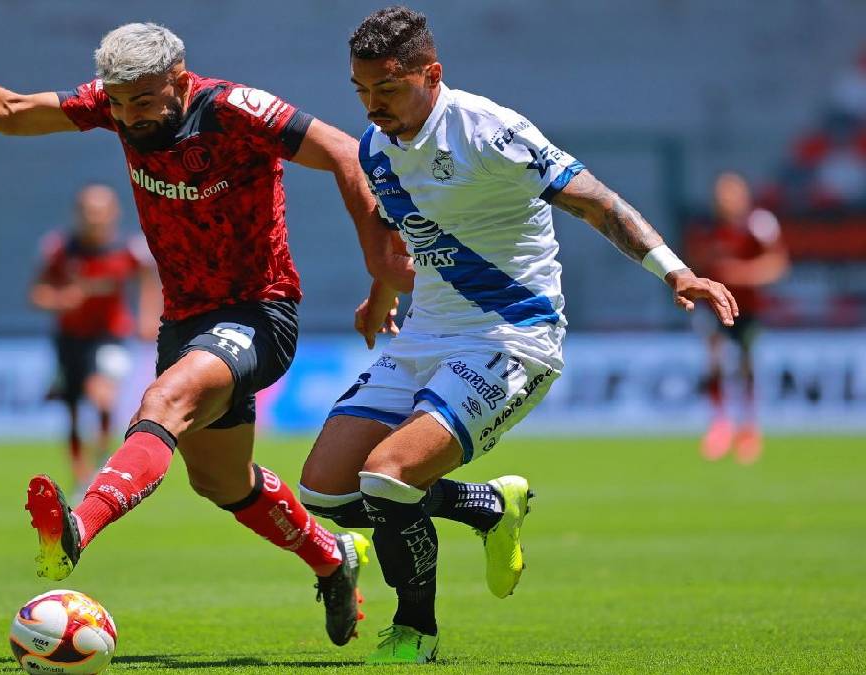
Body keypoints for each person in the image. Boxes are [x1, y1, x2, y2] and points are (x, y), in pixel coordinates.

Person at [0, 16, 412, 646]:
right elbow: (13, 111)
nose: (127, 115)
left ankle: (77, 528)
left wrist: (380, 267)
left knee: (163, 402)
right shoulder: (114, 102)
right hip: (185, 320)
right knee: (221, 482)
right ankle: (332, 558)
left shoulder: (237, 109)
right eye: (118, 102)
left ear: (179, 81)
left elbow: (346, 151)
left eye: (143, 101)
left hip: (258, 309)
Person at [296, 6, 739, 664]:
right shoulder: (376, 148)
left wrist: (675, 271)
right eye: (360, 91)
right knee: (326, 490)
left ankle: (416, 631)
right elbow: (406, 238)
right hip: (425, 336)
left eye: (386, 88)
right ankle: (486, 505)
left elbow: (596, 202)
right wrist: (379, 298)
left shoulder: (489, 131)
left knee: (387, 478)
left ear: (431, 74)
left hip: (512, 337)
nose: (372, 105)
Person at [30, 184, 160, 498]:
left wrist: (148, 316)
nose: (95, 219)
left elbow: (149, 280)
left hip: (111, 334)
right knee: (73, 410)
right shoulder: (61, 250)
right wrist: (61, 300)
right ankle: (80, 475)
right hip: (71, 338)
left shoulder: (128, 249)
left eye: (100, 212)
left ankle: (102, 456)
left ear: (113, 214)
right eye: (88, 212)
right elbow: (38, 293)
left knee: (102, 396)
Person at [687, 172, 789, 464]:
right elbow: (696, 261)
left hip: (748, 307)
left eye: (730, 194)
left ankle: (748, 427)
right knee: (715, 359)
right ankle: (719, 425)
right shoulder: (706, 227)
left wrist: (742, 275)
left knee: (745, 363)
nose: (724, 200)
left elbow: (777, 264)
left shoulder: (760, 224)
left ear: (744, 196)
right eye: (720, 195)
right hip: (713, 306)